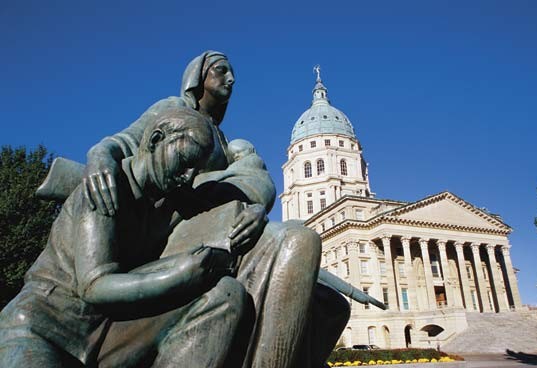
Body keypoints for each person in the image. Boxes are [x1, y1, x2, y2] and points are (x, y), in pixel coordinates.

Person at [81, 51, 350, 368]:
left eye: (231, 73)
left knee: (331, 305)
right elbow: (120, 143)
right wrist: (99, 158)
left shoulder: (226, 142)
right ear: (197, 79)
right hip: (178, 234)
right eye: (221, 71)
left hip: (228, 229)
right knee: (298, 239)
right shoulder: (173, 111)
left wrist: (257, 209)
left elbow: (257, 179)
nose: (231, 79)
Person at [0, 107, 250, 368]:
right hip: (42, 327)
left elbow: (216, 206)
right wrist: (178, 275)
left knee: (225, 293)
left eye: (195, 170)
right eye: (185, 161)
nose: (187, 177)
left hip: (104, 331)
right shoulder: (105, 184)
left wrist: (250, 213)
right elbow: (93, 286)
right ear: (156, 140)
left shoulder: (173, 197)